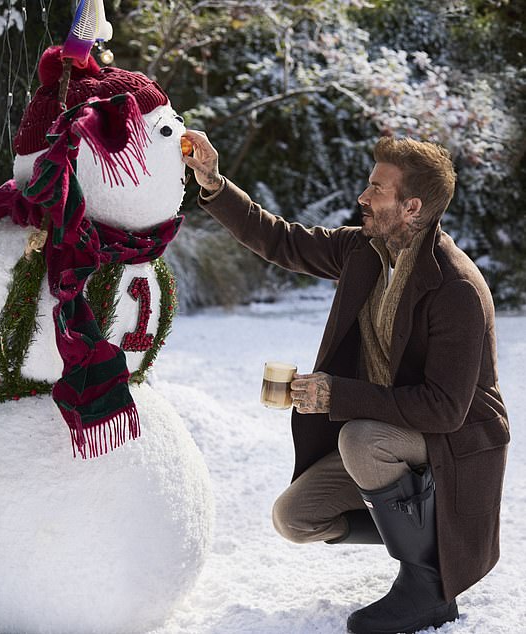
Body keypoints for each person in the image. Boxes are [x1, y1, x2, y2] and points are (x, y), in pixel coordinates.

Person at [182, 130, 510, 634]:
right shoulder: (365, 250)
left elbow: (445, 410)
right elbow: (281, 240)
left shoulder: (455, 289)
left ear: (412, 206)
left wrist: (337, 394)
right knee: (296, 517)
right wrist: (213, 182)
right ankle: (430, 528)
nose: (363, 196)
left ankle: (427, 584)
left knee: (359, 438)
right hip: (396, 434)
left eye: (377, 189)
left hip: (455, 442)